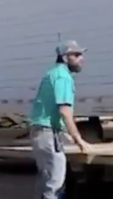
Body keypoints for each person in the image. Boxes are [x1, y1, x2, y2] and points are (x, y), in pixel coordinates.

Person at [27, 39, 90, 199]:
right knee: (55, 185)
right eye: (76, 55)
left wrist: (65, 133)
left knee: (45, 180)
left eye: (81, 54)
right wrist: (78, 139)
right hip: (48, 134)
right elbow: (65, 111)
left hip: (41, 131)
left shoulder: (53, 73)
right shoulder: (63, 77)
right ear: (64, 57)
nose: (81, 58)